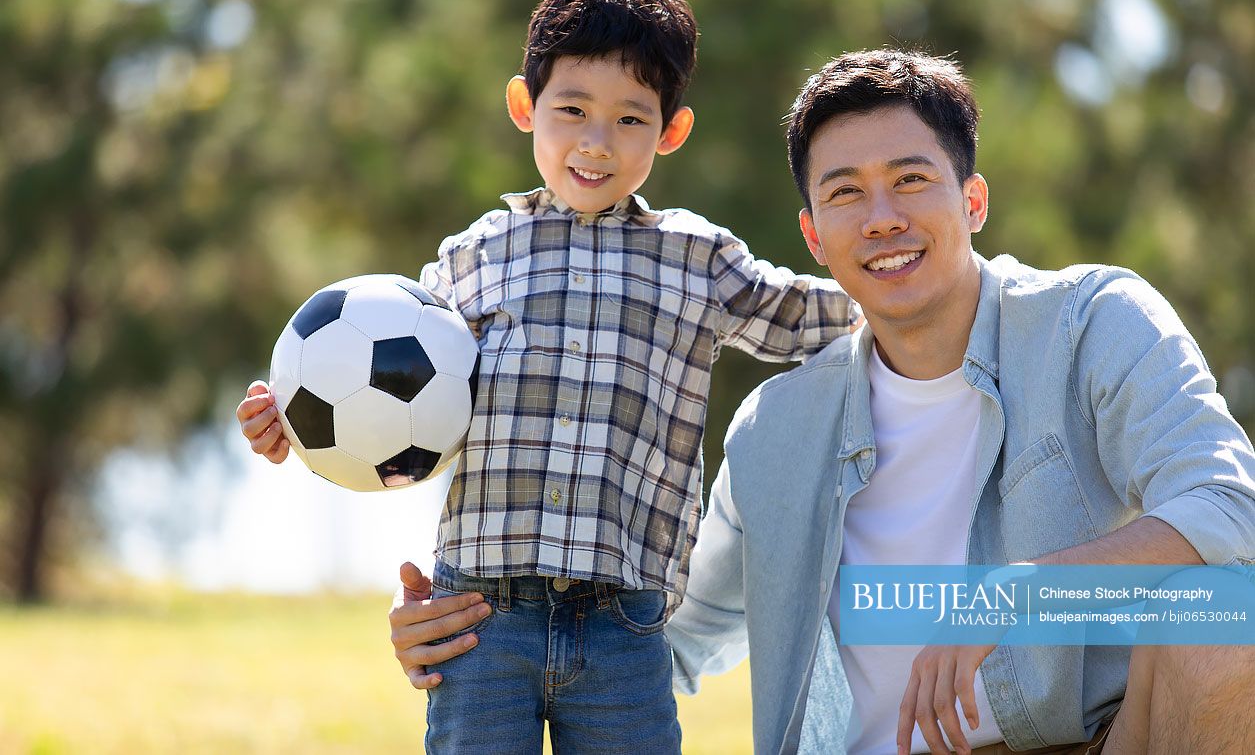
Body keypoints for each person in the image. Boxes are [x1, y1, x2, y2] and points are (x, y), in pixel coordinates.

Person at [389, 49, 1255, 754]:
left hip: (1099, 739)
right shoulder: (774, 433)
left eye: (911, 179)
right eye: (844, 192)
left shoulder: (1089, 323)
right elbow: (660, 639)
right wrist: (475, 628)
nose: (880, 216)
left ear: (974, 199)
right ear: (812, 234)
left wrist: (1015, 595)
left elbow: (1228, 511)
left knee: (1229, 621)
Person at [237, 0, 859, 754]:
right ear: (524, 107)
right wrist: (286, 419)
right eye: (571, 110)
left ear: (671, 130)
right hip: (479, 621)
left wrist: (934, 291)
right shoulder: (469, 260)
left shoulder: (698, 259)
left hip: (624, 624)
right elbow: (377, 393)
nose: (596, 142)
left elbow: (809, 318)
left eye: (630, 119)